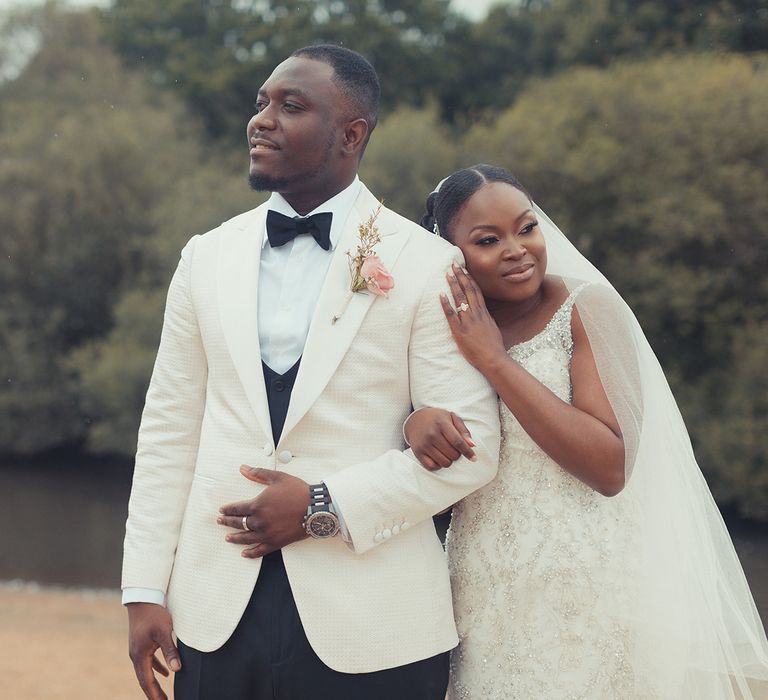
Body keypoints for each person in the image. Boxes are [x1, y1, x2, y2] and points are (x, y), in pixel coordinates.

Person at [121, 48, 501, 700]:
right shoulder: (205, 258)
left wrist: (321, 506)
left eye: (290, 106)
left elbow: (473, 450)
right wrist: (143, 589)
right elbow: (168, 430)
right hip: (214, 618)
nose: (261, 120)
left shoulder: (426, 263)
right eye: (261, 102)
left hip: (374, 625)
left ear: (352, 134)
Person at [405, 164, 768, 699]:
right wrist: (413, 424)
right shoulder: (436, 331)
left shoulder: (584, 309)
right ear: (450, 255)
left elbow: (610, 465)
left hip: (590, 588)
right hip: (482, 588)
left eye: (526, 228)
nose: (516, 249)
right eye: (488, 240)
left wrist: (496, 362)